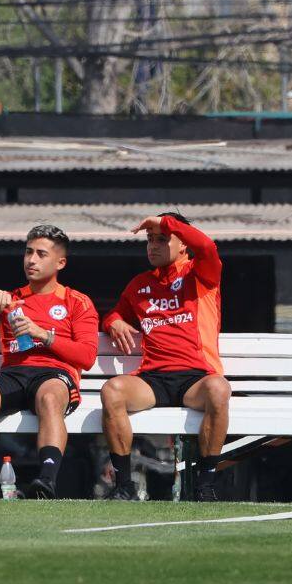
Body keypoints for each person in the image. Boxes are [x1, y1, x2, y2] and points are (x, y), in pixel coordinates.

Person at [0, 224, 99, 499]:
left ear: (60, 262)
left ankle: (46, 481)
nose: (31, 260)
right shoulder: (10, 299)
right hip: (14, 374)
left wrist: (44, 335)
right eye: (28, 252)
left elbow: (86, 357)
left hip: (54, 376)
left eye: (41, 254)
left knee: (50, 398)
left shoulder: (77, 301)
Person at [100, 212, 231, 502]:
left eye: (162, 239)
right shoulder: (139, 285)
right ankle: (124, 486)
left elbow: (208, 247)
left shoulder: (201, 273)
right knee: (112, 391)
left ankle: (205, 486)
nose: (152, 246)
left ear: (183, 243)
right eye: (149, 240)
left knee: (219, 389)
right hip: (153, 380)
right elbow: (114, 314)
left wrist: (165, 222)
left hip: (196, 378)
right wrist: (114, 322)